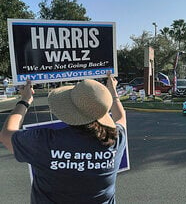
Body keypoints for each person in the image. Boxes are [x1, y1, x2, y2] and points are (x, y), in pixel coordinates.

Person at [0, 72, 126, 204]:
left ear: (70, 111)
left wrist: (24, 100)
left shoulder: (45, 142)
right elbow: (121, 118)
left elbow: (6, 135)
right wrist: (113, 92)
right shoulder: (116, 139)